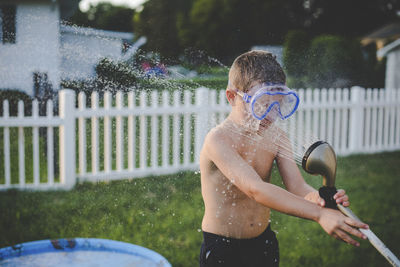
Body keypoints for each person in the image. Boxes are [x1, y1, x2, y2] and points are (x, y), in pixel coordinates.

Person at [198, 50, 369, 267]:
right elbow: (255, 189)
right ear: (232, 97)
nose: (270, 115)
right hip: (222, 248)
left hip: (263, 242)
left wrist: (320, 200)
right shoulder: (218, 139)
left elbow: (297, 186)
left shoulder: (276, 136)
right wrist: (319, 215)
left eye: (277, 105)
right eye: (262, 105)